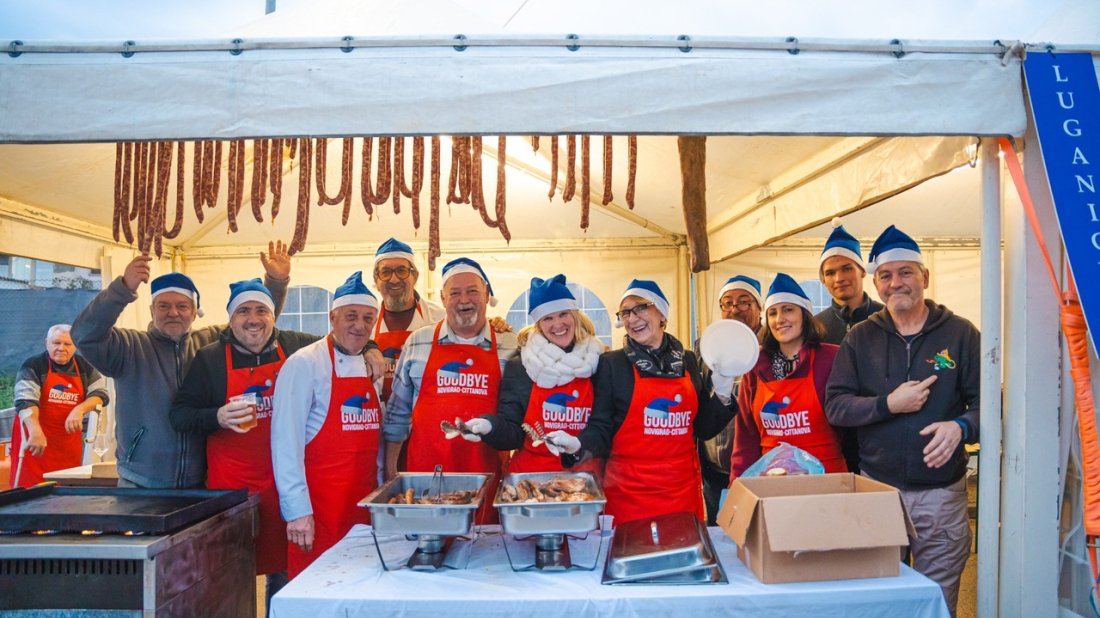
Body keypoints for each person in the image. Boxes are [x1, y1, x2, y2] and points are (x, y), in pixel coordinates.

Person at [825, 225, 979, 617]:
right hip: (878, 491)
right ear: (876, 284)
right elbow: (837, 407)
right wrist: (888, 404)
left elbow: (989, 405)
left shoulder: (961, 335)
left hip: (941, 496)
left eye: (906, 272)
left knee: (935, 600)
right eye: (887, 276)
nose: (897, 283)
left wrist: (961, 427)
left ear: (925, 277)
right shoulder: (859, 338)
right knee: (880, 599)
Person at [70, 244, 292, 488]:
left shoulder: (213, 343)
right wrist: (122, 289)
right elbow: (83, 334)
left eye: (182, 306)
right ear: (152, 310)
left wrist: (276, 284)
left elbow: (254, 327)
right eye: (163, 305)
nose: (172, 313)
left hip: (201, 482)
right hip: (140, 483)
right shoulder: (128, 347)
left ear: (195, 312)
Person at [169, 280, 319, 608]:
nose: (253, 318)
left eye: (261, 310)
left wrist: (372, 350)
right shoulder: (209, 359)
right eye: (244, 311)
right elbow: (179, 416)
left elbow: (344, 339)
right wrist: (217, 416)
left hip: (287, 484)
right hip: (233, 489)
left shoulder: (294, 345)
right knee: (232, 572)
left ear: (273, 316)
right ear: (231, 319)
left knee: (286, 568)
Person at [549, 279, 737, 525]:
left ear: (661, 313)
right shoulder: (612, 365)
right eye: (625, 312)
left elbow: (703, 427)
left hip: (681, 492)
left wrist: (722, 396)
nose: (632, 317)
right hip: (629, 495)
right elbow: (601, 428)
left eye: (640, 308)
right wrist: (576, 445)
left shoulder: (688, 361)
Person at [383, 257, 519, 522]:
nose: (464, 299)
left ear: (487, 294)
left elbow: (519, 417)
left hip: (488, 476)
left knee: (485, 553)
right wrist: (390, 472)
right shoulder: (417, 342)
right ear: (443, 299)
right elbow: (397, 415)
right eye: (454, 293)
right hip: (427, 477)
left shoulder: (510, 344)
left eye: (472, 291)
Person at [271, 272, 385, 578]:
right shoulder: (304, 364)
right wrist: (296, 512)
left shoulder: (371, 366)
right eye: (351, 316)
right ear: (332, 317)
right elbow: (285, 444)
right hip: (319, 513)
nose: (359, 325)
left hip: (364, 509)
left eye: (367, 318)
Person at [459, 274, 604, 476]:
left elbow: (605, 428)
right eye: (548, 318)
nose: (558, 324)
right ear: (538, 324)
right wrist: (488, 426)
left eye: (563, 314)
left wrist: (577, 444)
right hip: (531, 478)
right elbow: (513, 434)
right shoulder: (521, 367)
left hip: (584, 476)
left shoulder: (599, 361)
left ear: (575, 315)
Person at [729, 273, 846, 477]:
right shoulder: (755, 365)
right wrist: (736, 487)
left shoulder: (831, 358)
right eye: (772, 313)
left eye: (788, 310)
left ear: (805, 314)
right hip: (773, 481)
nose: (780, 319)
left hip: (827, 480)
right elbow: (745, 438)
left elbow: (849, 428)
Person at [815, 219, 883, 474]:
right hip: (830, 441)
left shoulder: (886, 318)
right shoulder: (815, 327)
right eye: (830, 272)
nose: (839, 278)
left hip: (878, 438)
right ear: (822, 279)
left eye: (846, 268)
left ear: (862, 270)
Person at [697, 274, 763, 524]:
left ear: (759, 307)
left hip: (756, 466)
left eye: (744, 302)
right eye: (727, 303)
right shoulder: (706, 347)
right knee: (720, 529)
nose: (735, 309)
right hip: (713, 468)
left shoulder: (771, 347)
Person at [11, 325, 110, 488]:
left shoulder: (84, 366)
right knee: (31, 493)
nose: (61, 348)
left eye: (67, 344)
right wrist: (35, 431)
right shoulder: (33, 365)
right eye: (56, 343)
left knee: (66, 493)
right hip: (35, 442)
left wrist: (80, 409)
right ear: (47, 343)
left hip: (66, 445)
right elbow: (25, 401)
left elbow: (101, 393)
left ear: (75, 345)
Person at [371, 238, 447, 403]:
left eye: (402, 271)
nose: (394, 279)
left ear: (415, 276)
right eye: (385, 273)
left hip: (425, 416)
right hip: (377, 420)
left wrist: (494, 325)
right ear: (376, 280)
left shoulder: (442, 319)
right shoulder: (365, 323)